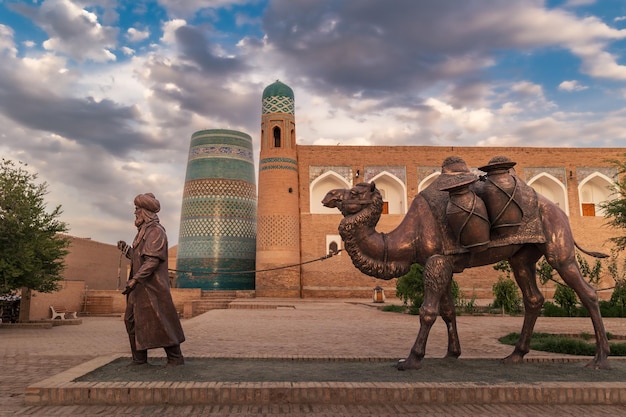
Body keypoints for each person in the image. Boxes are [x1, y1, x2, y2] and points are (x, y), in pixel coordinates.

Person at [117, 193, 185, 366]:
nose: (135, 213)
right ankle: (139, 359)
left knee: (161, 321)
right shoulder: (143, 232)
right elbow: (139, 257)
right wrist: (126, 250)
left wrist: (135, 280)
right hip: (140, 289)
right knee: (132, 320)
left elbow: (152, 261)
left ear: (146, 212)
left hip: (153, 288)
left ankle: (175, 358)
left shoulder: (156, 231)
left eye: (137, 209)